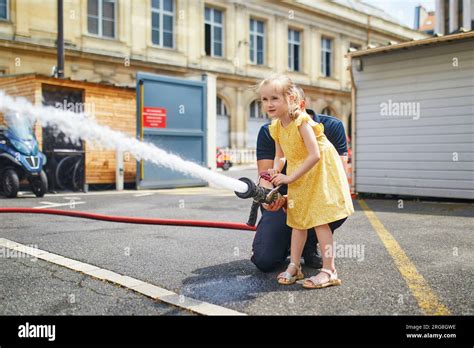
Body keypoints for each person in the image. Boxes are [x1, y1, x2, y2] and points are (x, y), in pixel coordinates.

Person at [252, 75, 354, 288]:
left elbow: (315, 155)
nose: (268, 104)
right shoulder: (276, 127)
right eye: (264, 99)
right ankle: (295, 266)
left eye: (274, 98)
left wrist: (289, 177)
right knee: (297, 220)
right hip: (301, 172)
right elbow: (280, 156)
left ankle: (329, 270)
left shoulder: (302, 121)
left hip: (319, 172)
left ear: (290, 99)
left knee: (319, 219)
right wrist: (276, 170)